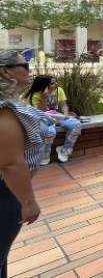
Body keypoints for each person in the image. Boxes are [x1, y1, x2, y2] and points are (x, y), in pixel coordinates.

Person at [0, 51, 43, 278]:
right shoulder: (4, 111)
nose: (29, 69)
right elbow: (10, 164)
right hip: (5, 192)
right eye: (24, 65)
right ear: (5, 71)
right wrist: (29, 202)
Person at [26, 75, 81, 163]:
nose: (56, 84)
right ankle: (44, 155)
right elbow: (40, 113)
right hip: (42, 119)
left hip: (57, 117)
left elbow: (63, 105)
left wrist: (66, 114)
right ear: (44, 85)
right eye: (52, 83)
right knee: (50, 131)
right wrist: (44, 98)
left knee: (76, 124)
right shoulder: (36, 94)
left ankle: (65, 150)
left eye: (56, 82)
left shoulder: (59, 90)